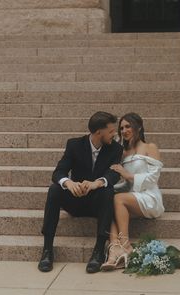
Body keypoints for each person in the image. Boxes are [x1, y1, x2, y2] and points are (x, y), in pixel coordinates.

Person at [38, 111, 123, 273]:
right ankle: (47, 250)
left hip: (97, 203)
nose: (115, 134)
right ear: (99, 132)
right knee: (55, 189)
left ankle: (99, 251)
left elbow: (114, 174)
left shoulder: (115, 149)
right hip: (75, 201)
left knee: (108, 190)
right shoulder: (74, 145)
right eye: (111, 131)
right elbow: (58, 172)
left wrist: (96, 183)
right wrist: (69, 183)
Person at [100, 112, 165, 271]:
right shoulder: (123, 153)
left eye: (128, 126)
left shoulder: (150, 147)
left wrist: (127, 174)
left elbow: (153, 178)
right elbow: (126, 186)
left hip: (149, 197)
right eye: (121, 128)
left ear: (139, 127)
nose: (124, 131)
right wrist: (108, 188)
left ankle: (126, 245)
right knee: (108, 198)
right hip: (132, 197)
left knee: (118, 200)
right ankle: (114, 251)